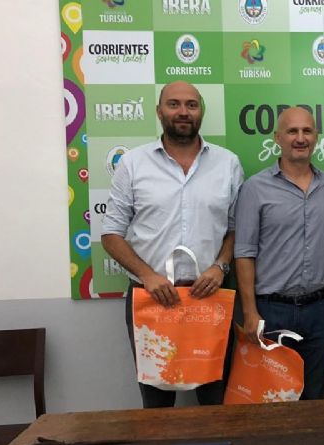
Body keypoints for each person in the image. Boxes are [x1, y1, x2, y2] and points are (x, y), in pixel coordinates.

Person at [101, 81, 244, 408]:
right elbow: (110, 234)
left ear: (201, 112)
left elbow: (236, 229)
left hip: (209, 298)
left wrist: (221, 266)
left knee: (214, 400)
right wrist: (148, 275)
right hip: (152, 299)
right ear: (159, 111)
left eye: (191, 105)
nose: (183, 112)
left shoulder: (228, 164)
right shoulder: (133, 164)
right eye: (174, 104)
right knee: (157, 405)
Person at [234, 107, 324, 400]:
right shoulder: (255, 188)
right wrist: (250, 312)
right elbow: (244, 252)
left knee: (316, 394)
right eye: (292, 131)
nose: (300, 138)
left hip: (321, 309)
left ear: (316, 137)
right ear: (277, 137)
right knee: (272, 398)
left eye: (307, 131)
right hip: (272, 311)